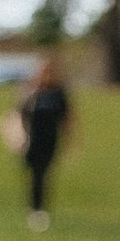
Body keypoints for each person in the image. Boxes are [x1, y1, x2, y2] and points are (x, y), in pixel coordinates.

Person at [18, 58, 72, 229]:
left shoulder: (58, 94)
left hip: (50, 139)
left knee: (44, 173)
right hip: (33, 139)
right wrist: (20, 137)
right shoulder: (31, 92)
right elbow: (19, 115)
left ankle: (39, 208)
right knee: (35, 174)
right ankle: (35, 208)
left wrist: (70, 141)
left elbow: (67, 119)